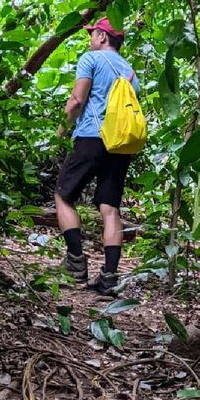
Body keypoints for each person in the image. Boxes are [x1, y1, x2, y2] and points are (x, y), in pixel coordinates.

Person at [55, 17, 140, 296]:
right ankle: (109, 277)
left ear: (103, 37)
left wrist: (61, 130)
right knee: (110, 208)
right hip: (120, 144)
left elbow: (77, 100)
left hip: (92, 137)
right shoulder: (130, 72)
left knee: (63, 195)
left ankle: (76, 264)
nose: (90, 39)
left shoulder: (91, 59)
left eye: (93, 34)